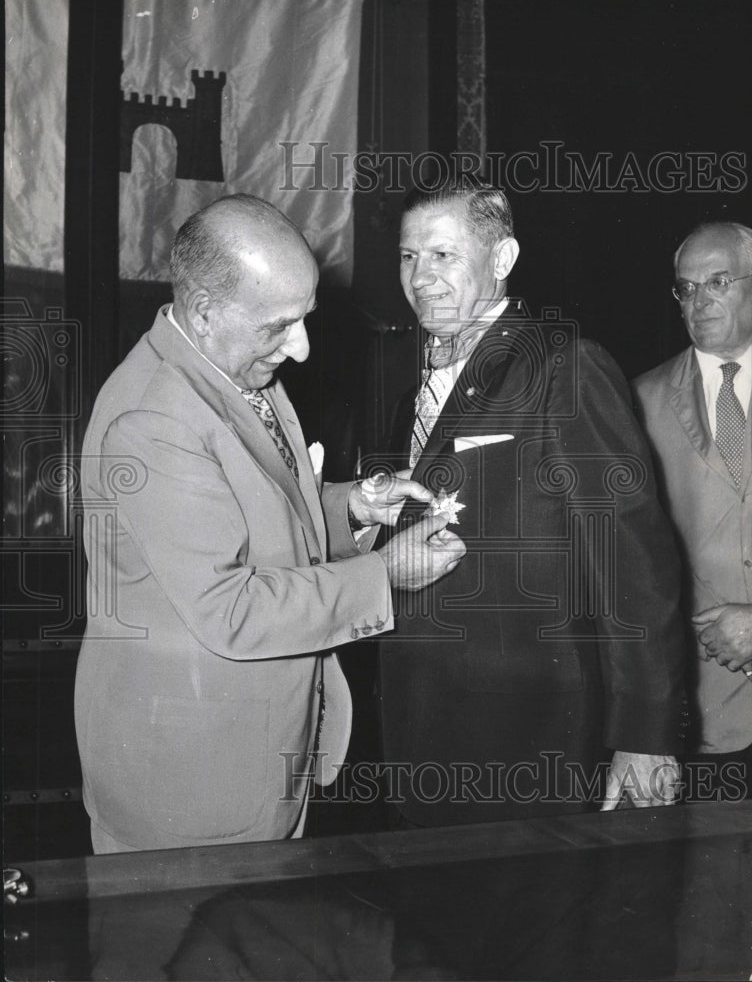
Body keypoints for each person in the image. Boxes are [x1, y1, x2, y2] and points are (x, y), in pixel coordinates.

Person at [75, 193, 466, 853]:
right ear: (204, 313)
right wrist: (384, 576)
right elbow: (230, 608)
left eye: (304, 318)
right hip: (193, 785)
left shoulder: (233, 370)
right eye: (280, 326)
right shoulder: (153, 420)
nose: (303, 348)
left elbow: (257, 515)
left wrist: (350, 508)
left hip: (256, 754)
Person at [378, 183, 685, 827]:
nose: (421, 278)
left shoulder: (564, 367)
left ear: (503, 257)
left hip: (529, 727)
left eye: (442, 255)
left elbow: (633, 561)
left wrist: (644, 733)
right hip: (418, 720)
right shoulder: (406, 386)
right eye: (409, 257)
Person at [633, 221, 752, 799]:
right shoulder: (638, 401)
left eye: (718, 282)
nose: (699, 300)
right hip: (702, 714)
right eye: (686, 288)